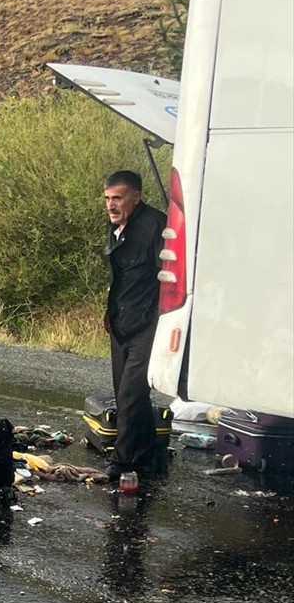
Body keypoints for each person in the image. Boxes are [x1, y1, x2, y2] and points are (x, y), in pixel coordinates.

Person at [101, 170, 166, 481]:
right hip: (121, 321)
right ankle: (148, 456)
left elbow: (167, 277)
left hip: (147, 323)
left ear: (136, 197)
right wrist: (109, 312)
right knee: (128, 394)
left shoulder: (156, 225)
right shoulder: (116, 227)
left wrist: (163, 319)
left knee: (130, 393)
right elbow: (119, 278)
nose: (111, 205)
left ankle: (123, 461)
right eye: (107, 199)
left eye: (118, 198)